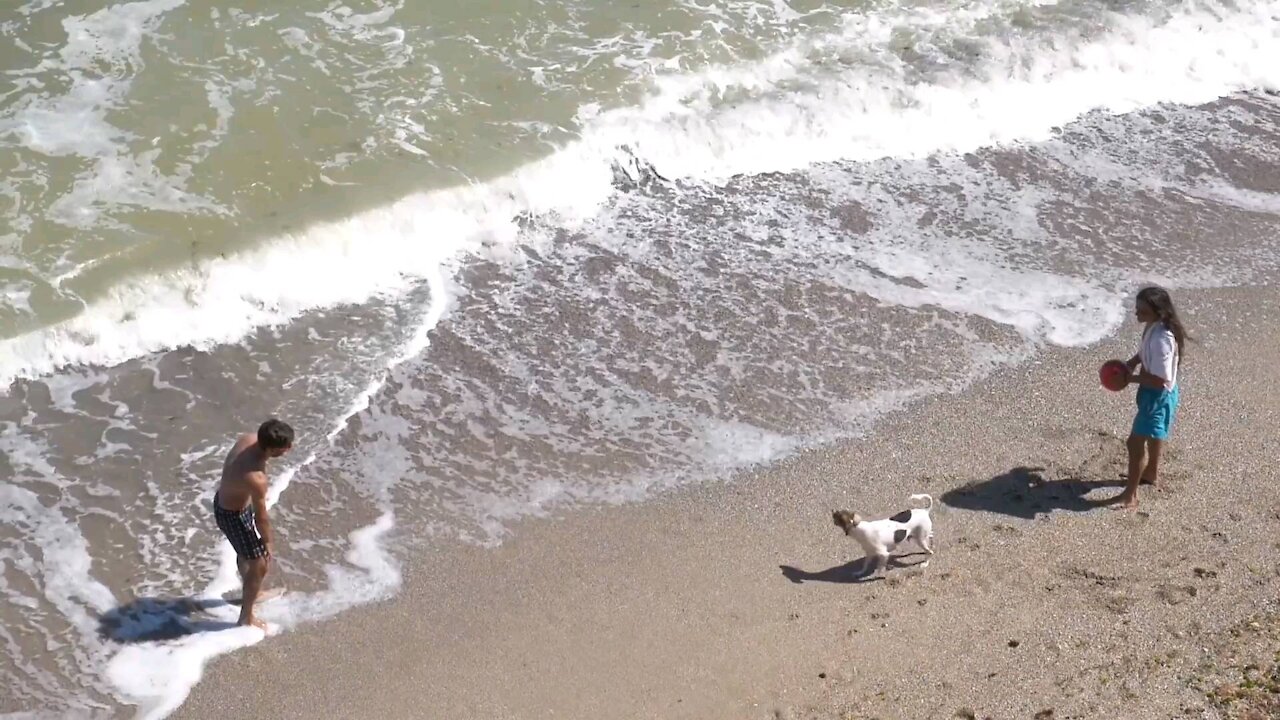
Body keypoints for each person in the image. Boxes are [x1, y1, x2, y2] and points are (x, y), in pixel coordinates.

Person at [1111, 287, 1187, 510]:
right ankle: (1151, 472)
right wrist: (1133, 362)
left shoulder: (1162, 340)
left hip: (1158, 396)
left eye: (1142, 311)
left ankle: (1130, 495)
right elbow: (1145, 352)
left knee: (1134, 443)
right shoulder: (1154, 326)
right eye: (1137, 309)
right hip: (1154, 393)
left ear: (1159, 312)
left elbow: (1160, 380)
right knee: (1154, 435)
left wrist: (1129, 379)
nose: (1137, 314)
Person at [213, 418, 294, 629]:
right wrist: (267, 543)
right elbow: (262, 517)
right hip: (233, 516)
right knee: (259, 564)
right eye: (284, 448)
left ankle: (252, 591)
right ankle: (246, 619)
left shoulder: (247, 440)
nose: (289, 449)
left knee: (246, 553)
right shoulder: (256, 479)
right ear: (270, 448)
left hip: (228, 502)